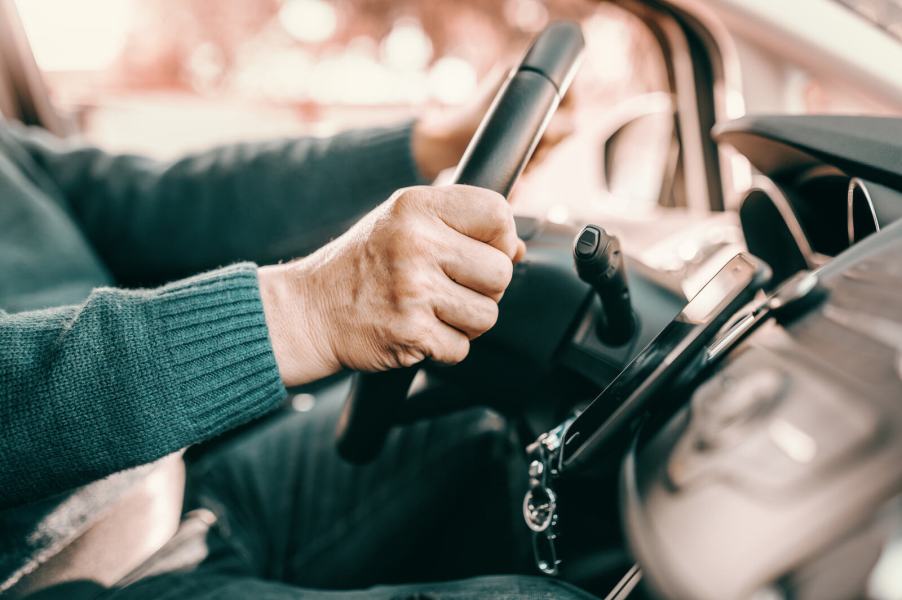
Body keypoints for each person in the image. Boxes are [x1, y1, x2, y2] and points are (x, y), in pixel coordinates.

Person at [0, 67, 593, 599]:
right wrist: (304, 310)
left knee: (501, 421)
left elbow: (167, 201)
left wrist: (427, 145)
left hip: (180, 487)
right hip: (67, 576)